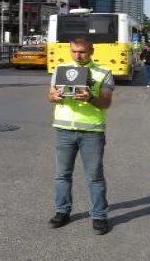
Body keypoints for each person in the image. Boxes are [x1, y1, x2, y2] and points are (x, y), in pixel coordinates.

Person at [47, 36, 115, 235]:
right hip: (63, 130)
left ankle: (99, 216)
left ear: (91, 51)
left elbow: (106, 103)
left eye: (82, 52)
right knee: (62, 175)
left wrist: (91, 98)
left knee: (94, 177)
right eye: (74, 51)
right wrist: (55, 96)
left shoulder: (104, 72)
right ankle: (62, 211)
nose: (78, 55)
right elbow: (49, 96)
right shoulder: (61, 70)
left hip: (91, 132)